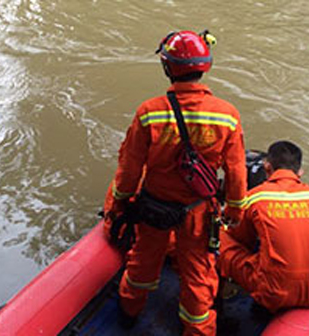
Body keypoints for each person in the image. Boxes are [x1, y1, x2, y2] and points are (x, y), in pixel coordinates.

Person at [103, 30, 247, 335]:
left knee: (142, 263)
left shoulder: (149, 112)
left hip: (153, 207)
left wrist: (120, 203)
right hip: (197, 213)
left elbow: (129, 169)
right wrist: (235, 210)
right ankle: (196, 330)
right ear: (204, 65)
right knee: (198, 273)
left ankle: (129, 312)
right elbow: (236, 171)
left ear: (167, 67)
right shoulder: (227, 116)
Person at [218, 141, 309, 313]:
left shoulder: (255, 197)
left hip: (274, 292)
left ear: (267, 167)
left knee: (219, 236)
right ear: (300, 172)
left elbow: (239, 238)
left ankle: (220, 291)